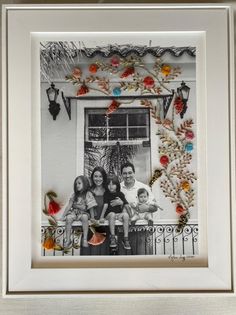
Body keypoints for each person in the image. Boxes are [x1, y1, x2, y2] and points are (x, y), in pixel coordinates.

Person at [62, 176, 97, 248]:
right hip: (74, 213)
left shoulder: (88, 194)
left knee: (85, 217)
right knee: (68, 218)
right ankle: (68, 239)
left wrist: (93, 218)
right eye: (76, 184)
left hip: (83, 213)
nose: (77, 185)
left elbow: (91, 206)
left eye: (79, 183)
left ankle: (84, 239)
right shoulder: (74, 195)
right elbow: (69, 206)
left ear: (85, 184)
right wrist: (63, 216)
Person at [99, 174, 131, 250]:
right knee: (112, 214)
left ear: (117, 185)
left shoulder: (121, 194)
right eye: (109, 184)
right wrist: (101, 217)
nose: (111, 186)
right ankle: (112, 237)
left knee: (126, 215)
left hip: (118, 214)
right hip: (109, 215)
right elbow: (105, 205)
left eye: (113, 184)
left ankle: (126, 238)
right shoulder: (106, 194)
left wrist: (131, 216)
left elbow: (126, 205)